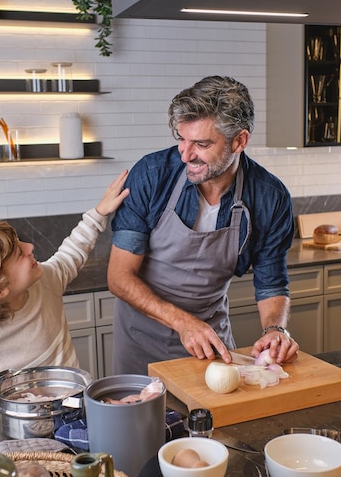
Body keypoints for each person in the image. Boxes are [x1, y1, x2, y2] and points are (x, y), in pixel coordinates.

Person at [108, 76, 299, 375]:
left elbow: (271, 281)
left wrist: (275, 330)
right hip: (140, 339)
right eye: (182, 139)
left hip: (210, 342)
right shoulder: (151, 175)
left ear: (240, 140)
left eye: (201, 144)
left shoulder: (269, 197)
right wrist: (183, 323)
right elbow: (119, 277)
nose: (186, 154)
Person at [0, 170, 129, 405]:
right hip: (15, 439)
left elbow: (70, 254)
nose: (30, 246)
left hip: (73, 418)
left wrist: (99, 213)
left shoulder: (44, 281)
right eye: (19, 254)